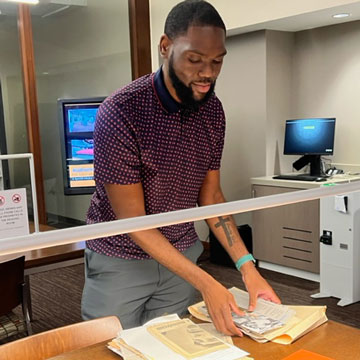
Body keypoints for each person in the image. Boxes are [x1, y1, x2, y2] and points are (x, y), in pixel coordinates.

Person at [81, 0, 280, 336]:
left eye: (217, 62)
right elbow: (135, 222)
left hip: (182, 256)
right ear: (165, 47)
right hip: (121, 259)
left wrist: (247, 268)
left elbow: (212, 196)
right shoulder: (122, 112)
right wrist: (207, 282)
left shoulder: (212, 111)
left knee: (172, 346)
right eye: (195, 60)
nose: (207, 73)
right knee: (108, 349)